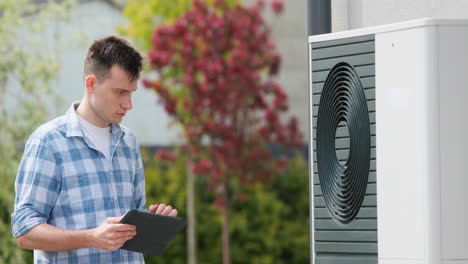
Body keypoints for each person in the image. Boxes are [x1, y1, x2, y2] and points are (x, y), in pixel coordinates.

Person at [11, 36, 177, 263]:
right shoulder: (48, 142)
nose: (128, 104)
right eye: (119, 92)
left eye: (131, 92)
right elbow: (24, 232)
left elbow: (132, 220)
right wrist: (91, 237)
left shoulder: (128, 142)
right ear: (91, 84)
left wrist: (152, 222)